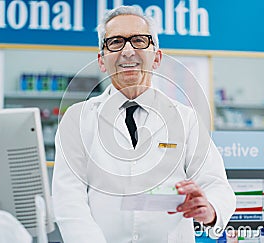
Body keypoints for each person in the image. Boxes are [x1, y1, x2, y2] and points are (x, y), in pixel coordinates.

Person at [52, 5, 235, 243]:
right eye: (115, 42)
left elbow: (216, 184)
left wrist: (209, 209)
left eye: (139, 40)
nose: (128, 51)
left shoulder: (185, 119)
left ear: (157, 57)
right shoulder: (77, 119)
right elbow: (69, 201)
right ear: (101, 61)